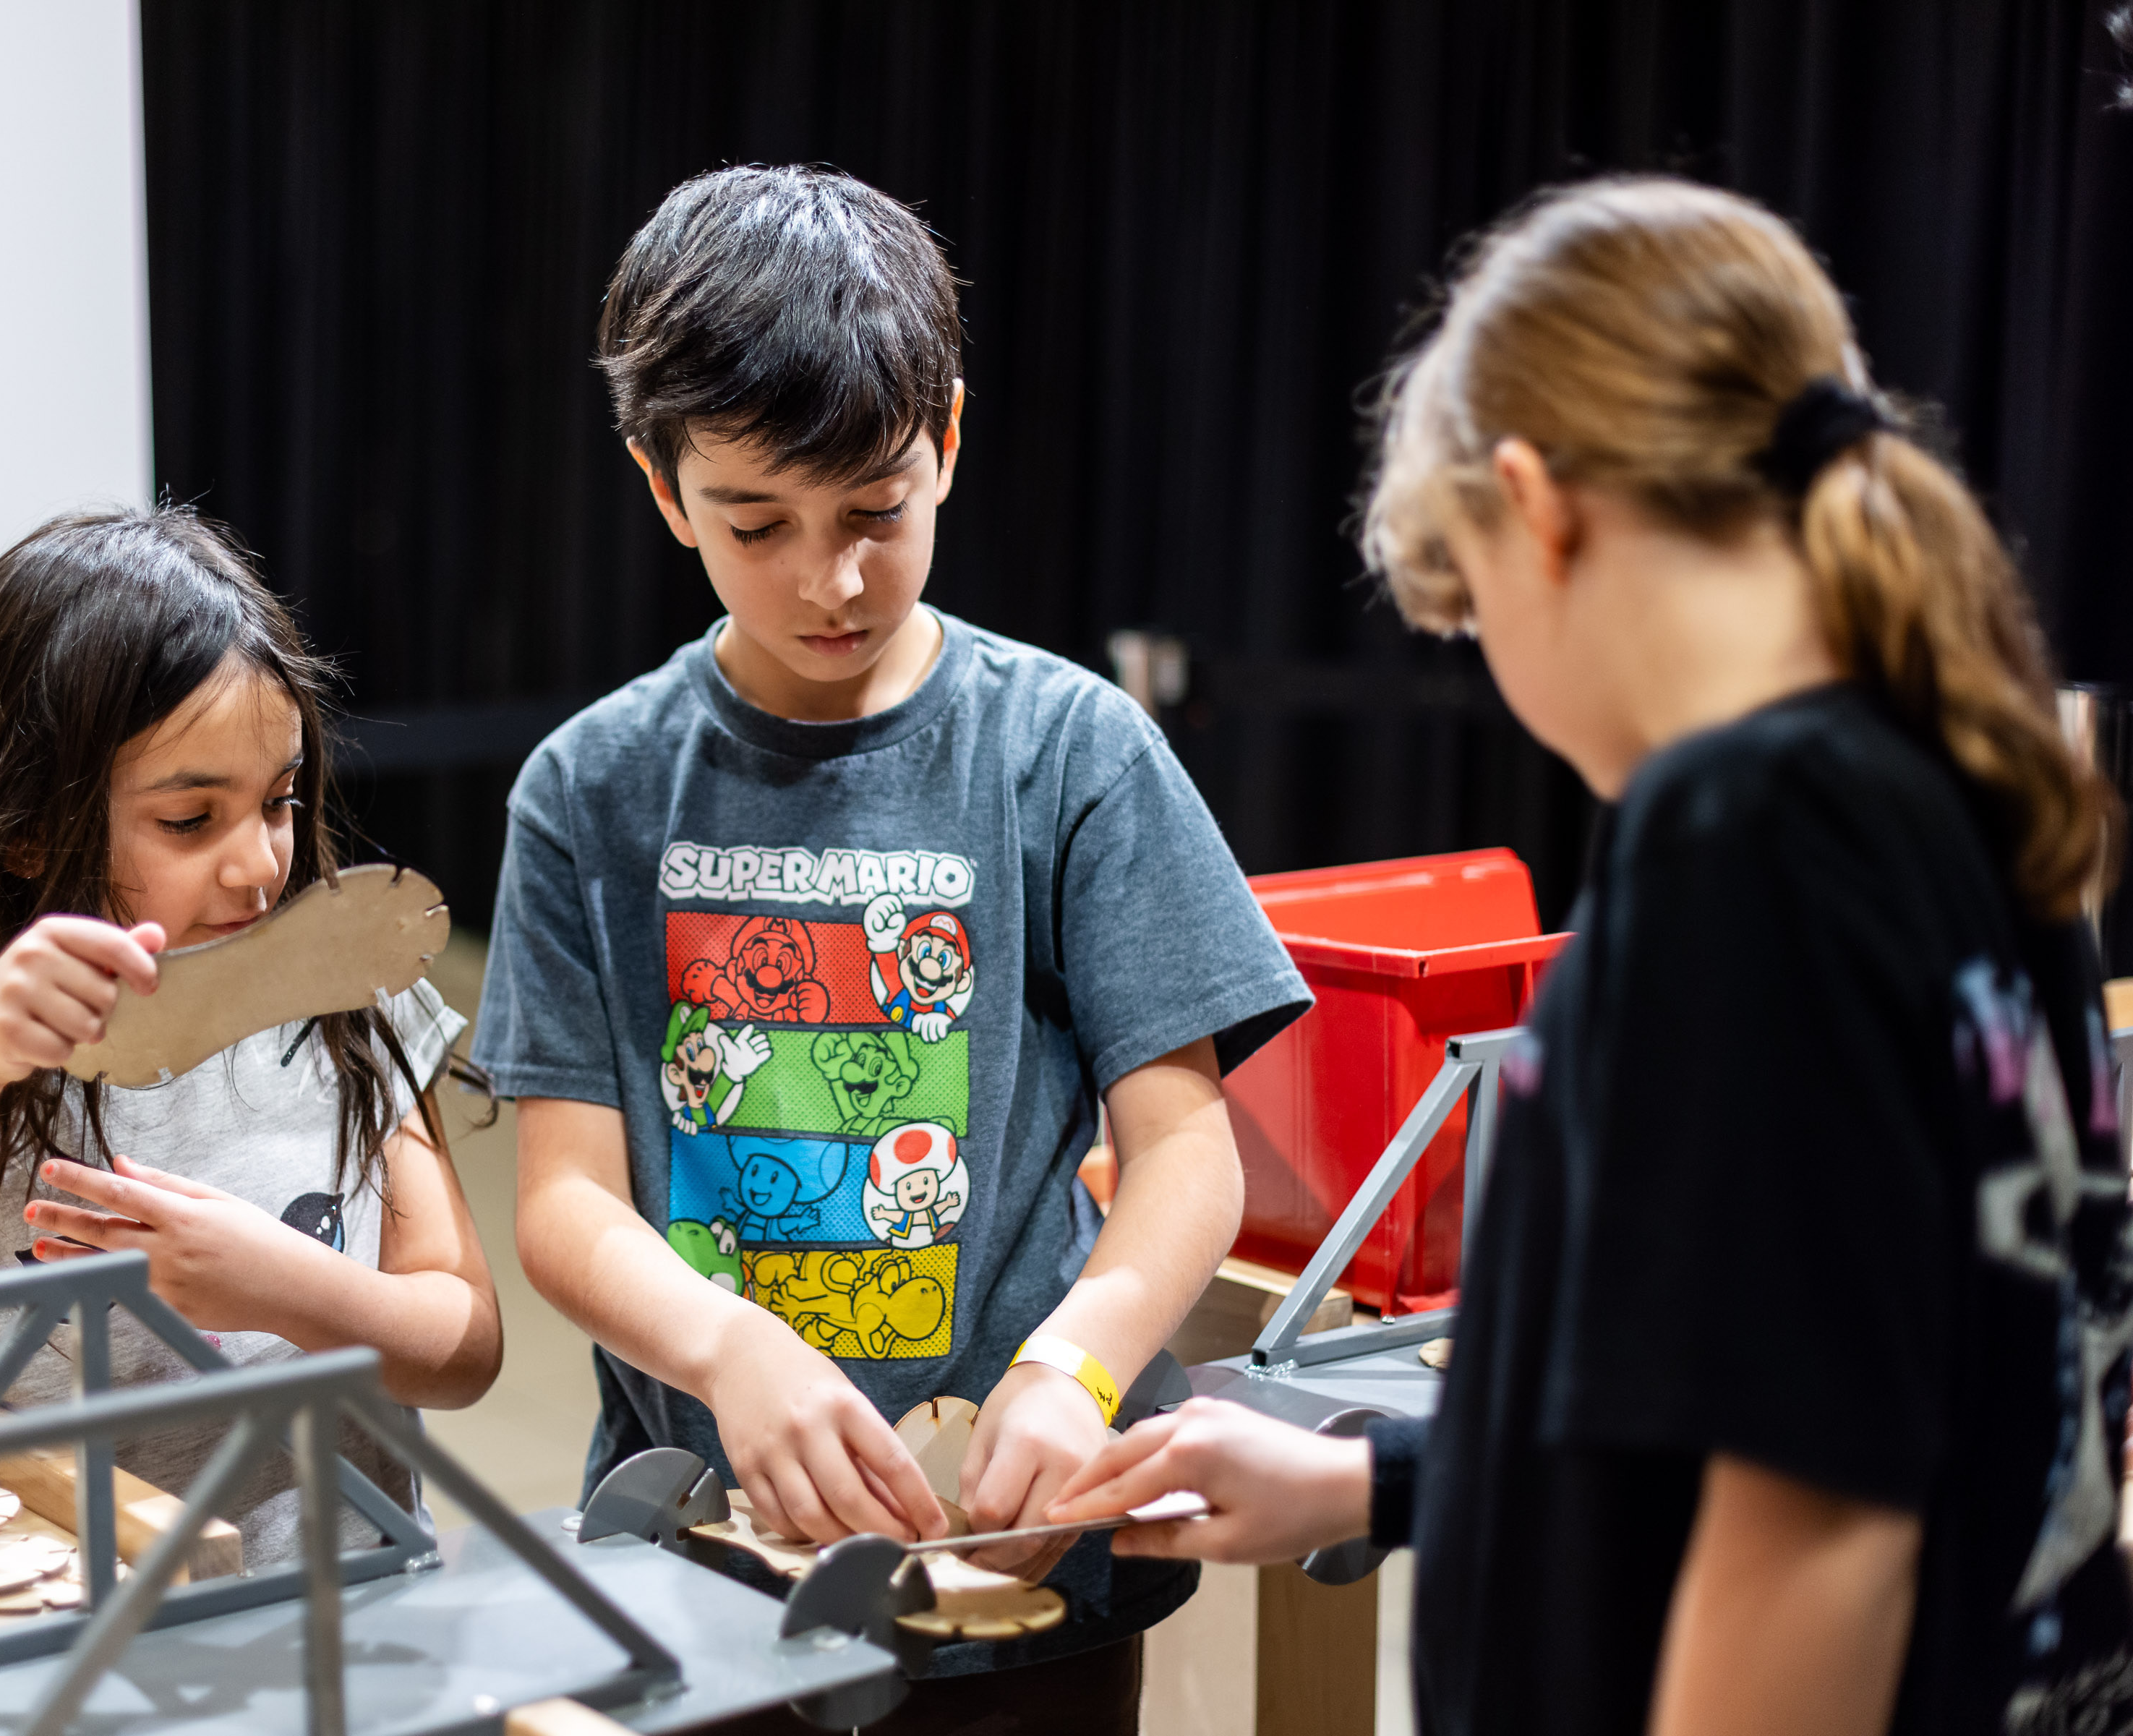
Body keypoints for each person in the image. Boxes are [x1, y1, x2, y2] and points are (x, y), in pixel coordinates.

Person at [1048, 176, 2133, 1735]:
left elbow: (1813, 1530)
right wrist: (1364, 1474)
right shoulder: (1968, 773)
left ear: (1537, 504)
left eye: (1475, 604)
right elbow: (1810, 1374)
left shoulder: (1747, 823)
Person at [473, 166, 1309, 1727]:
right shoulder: (590, 791)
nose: (829, 579)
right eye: (755, 523)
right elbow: (566, 1206)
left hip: (1016, 1548)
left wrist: (1075, 1365)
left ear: (950, 441)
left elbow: (1189, 1164)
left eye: (876, 511)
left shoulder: (1073, 752)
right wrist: (729, 1352)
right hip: (710, 1548)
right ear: (664, 492)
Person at [0, 508, 500, 1568]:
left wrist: (282, 1282)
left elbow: (463, 1347)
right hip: (51, 1651)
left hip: (342, 1627)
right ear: (26, 824)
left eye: (278, 801)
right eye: (191, 821)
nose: (258, 865)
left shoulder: (346, 996)